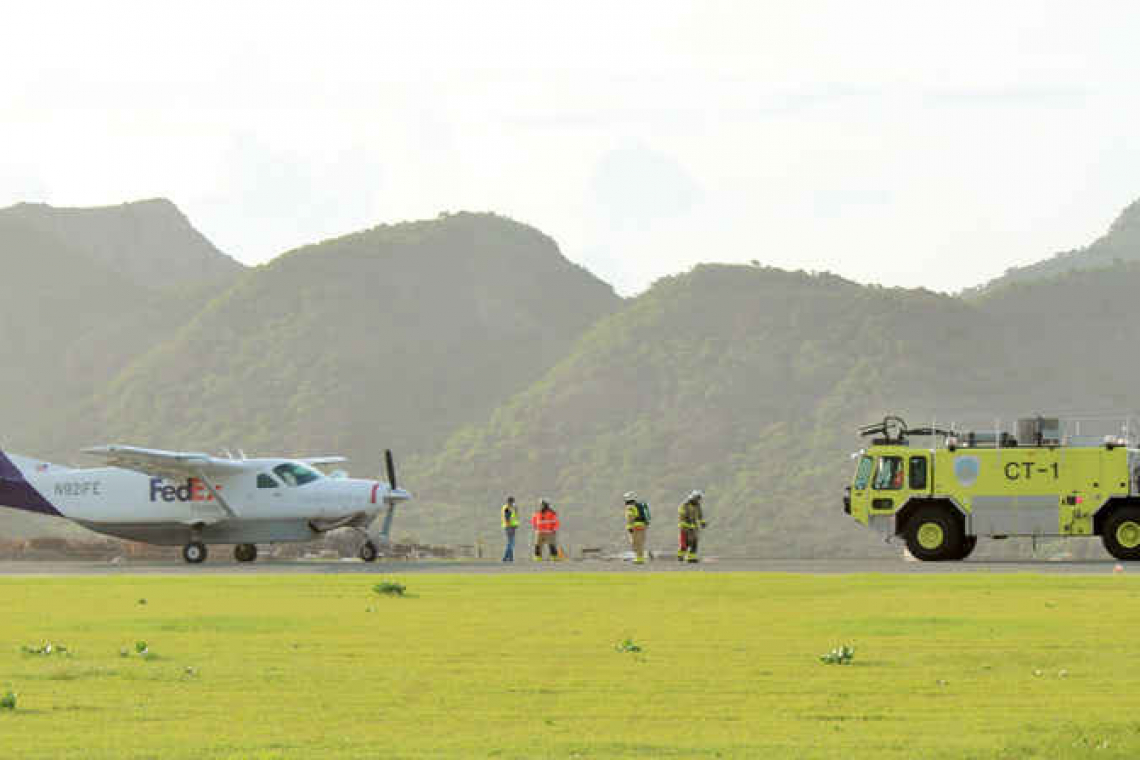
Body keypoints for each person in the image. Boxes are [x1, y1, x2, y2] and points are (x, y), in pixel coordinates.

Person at [678, 490, 707, 563]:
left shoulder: (697, 505)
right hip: (685, 528)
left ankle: (691, 558)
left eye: (699, 498)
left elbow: (700, 515)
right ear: (694, 497)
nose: (699, 500)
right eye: (698, 498)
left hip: (694, 528)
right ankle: (680, 556)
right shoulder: (684, 505)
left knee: (694, 543)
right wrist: (688, 525)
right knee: (685, 544)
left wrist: (702, 522)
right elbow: (682, 517)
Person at [623, 491, 651, 564]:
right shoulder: (640, 505)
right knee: (640, 543)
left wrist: (629, 527)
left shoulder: (630, 507)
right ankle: (640, 558)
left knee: (635, 543)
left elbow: (630, 517)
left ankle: (638, 558)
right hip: (643, 525)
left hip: (635, 526)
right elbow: (647, 516)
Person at [501, 496, 520, 562]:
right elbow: (507, 519)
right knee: (511, 543)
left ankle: (511, 558)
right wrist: (510, 527)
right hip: (509, 527)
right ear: (510, 502)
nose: (513, 503)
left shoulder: (511, 508)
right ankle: (505, 557)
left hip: (511, 527)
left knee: (510, 543)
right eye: (512, 502)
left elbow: (514, 516)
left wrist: (515, 510)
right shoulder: (507, 508)